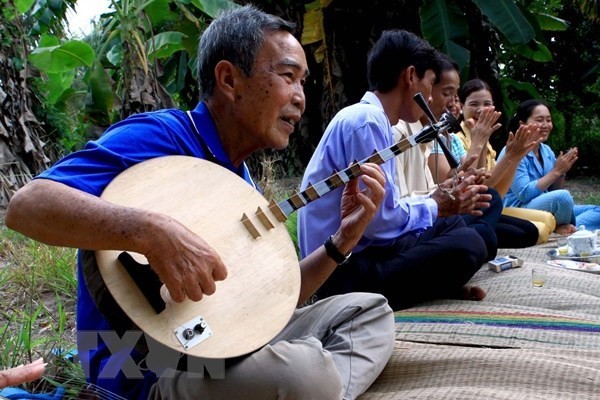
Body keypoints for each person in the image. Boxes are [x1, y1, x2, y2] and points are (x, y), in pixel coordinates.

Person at [5, 6, 395, 400]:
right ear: (229, 79)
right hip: (144, 369)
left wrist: (340, 243)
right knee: (304, 374)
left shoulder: (238, 180)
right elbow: (27, 206)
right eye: (288, 76)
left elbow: (267, 304)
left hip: (222, 346)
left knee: (369, 314)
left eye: (303, 83)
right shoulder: (159, 138)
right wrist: (151, 232)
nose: (300, 98)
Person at [297, 29, 493, 311]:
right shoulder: (367, 121)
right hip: (339, 271)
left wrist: (439, 202)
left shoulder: (373, 120)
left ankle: (434, 285)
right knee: (470, 244)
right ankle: (429, 288)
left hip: (366, 251)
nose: (431, 94)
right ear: (411, 76)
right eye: (431, 82)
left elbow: (386, 211)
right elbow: (378, 223)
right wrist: (436, 205)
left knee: (462, 228)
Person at [434, 77, 555, 246]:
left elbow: (494, 192)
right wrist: (510, 157)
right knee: (539, 227)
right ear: (462, 106)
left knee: (539, 227)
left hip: (486, 205)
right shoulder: (455, 139)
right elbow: (479, 189)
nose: (482, 110)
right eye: (474, 104)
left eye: (487, 104)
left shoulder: (481, 142)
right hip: (464, 210)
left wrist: (515, 156)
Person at [500, 99, 600, 233]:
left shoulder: (546, 150)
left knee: (596, 211)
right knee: (563, 197)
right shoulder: (513, 150)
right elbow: (524, 194)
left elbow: (554, 190)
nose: (546, 125)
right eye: (540, 120)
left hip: (544, 207)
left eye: (548, 120)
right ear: (522, 124)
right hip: (519, 209)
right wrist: (556, 171)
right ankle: (564, 228)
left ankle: (565, 228)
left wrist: (562, 171)